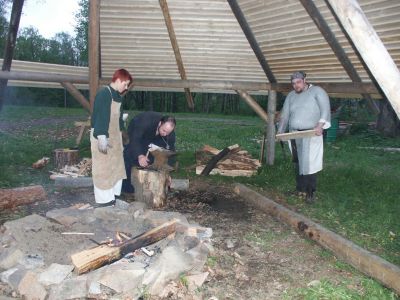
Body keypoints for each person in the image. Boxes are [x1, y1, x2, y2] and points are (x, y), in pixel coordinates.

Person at [278, 71, 331, 203]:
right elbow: (285, 115)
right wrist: (280, 132)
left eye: (298, 82)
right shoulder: (291, 96)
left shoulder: (317, 91)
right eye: (293, 83)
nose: (296, 85)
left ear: (305, 80)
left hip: (311, 133)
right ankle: (300, 189)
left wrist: (320, 125)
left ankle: (310, 193)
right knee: (298, 162)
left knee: (309, 163)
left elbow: (325, 109)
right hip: (295, 134)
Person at [90, 68, 133, 206]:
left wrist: (122, 128)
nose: (126, 88)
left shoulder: (118, 96)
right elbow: (101, 116)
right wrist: (101, 136)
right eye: (125, 84)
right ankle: (105, 201)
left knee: (116, 167)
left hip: (114, 138)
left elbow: (117, 117)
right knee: (103, 169)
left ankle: (114, 197)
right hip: (102, 137)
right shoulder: (104, 94)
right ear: (118, 80)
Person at [122, 111, 176, 193]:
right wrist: (140, 156)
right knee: (130, 155)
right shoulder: (144, 122)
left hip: (154, 137)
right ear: (160, 124)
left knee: (150, 159)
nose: (165, 134)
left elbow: (170, 153)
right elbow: (135, 139)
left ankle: (147, 185)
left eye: (168, 132)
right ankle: (125, 188)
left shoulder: (169, 134)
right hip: (137, 131)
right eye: (164, 130)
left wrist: (167, 173)